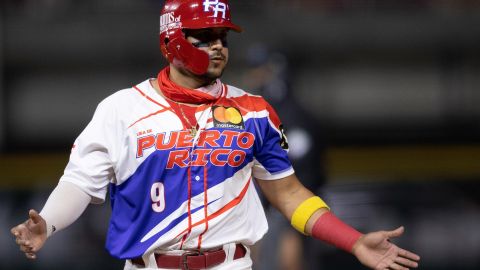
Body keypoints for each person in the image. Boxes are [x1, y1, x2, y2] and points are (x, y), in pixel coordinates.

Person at [11, 1, 421, 269]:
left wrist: (352, 242)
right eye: (204, 37)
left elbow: (290, 195)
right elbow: (81, 183)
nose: (218, 46)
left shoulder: (255, 111)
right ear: (171, 41)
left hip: (230, 263)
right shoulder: (121, 109)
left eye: (222, 37)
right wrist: (46, 223)